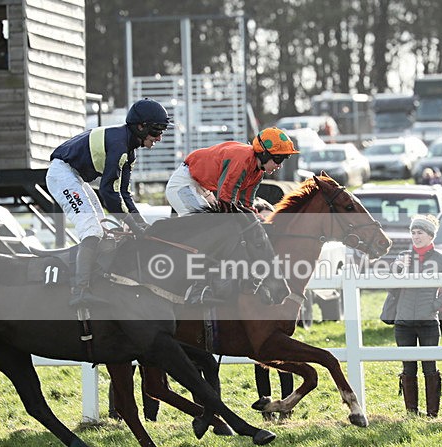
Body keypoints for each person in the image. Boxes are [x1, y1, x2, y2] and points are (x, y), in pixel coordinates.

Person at [45, 97, 171, 307]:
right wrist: (132, 225)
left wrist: (142, 225)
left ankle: (94, 280)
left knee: (101, 231)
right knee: (92, 229)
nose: (159, 138)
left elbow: (124, 193)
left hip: (73, 176)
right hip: (61, 174)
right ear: (141, 127)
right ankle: (80, 290)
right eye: (157, 131)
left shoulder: (128, 152)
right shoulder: (119, 145)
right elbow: (108, 193)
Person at [389, 214, 442, 417]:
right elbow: (392, 290)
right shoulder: (402, 258)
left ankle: (432, 413)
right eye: (413, 232)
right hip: (403, 321)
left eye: (420, 233)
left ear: (430, 235)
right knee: (408, 368)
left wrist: (433, 306)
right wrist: (400, 268)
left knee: (430, 367)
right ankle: (411, 413)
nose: (416, 236)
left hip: (428, 322)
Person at [165, 127, 299, 216]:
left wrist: (261, 220)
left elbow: (246, 204)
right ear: (265, 154)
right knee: (206, 224)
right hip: (184, 183)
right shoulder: (242, 159)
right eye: (278, 159)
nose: (279, 166)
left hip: (202, 188)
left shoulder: (257, 173)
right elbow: (226, 201)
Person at [251, 197, 294, 420]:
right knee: (261, 361)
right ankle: (266, 407)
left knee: (286, 359)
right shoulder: (253, 247)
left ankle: (286, 406)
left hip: (280, 303)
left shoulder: (281, 245)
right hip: (261, 305)